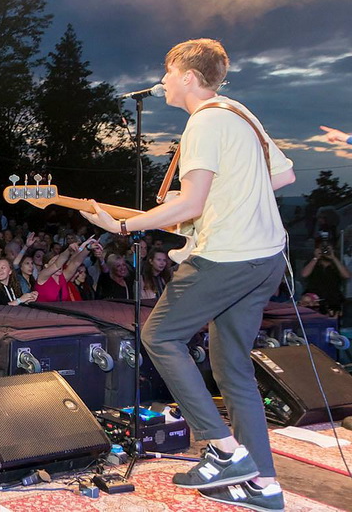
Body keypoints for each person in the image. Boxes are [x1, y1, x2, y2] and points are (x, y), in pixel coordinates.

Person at [81, 38, 295, 511]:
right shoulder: (240, 113)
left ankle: (222, 449)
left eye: (168, 72)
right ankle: (264, 486)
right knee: (233, 367)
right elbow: (281, 178)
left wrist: (121, 225)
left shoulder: (202, 122)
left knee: (160, 335)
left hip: (227, 256)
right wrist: (223, 201)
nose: (162, 81)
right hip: (266, 258)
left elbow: (193, 205)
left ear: (188, 76)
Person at [300, 237, 350, 315]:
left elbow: (346, 275)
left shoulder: (337, 263)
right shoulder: (312, 262)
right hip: (314, 300)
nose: (325, 251)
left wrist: (333, 257)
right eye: (322, 248)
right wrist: (316, 257)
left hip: (333, 300)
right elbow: (304, 274)